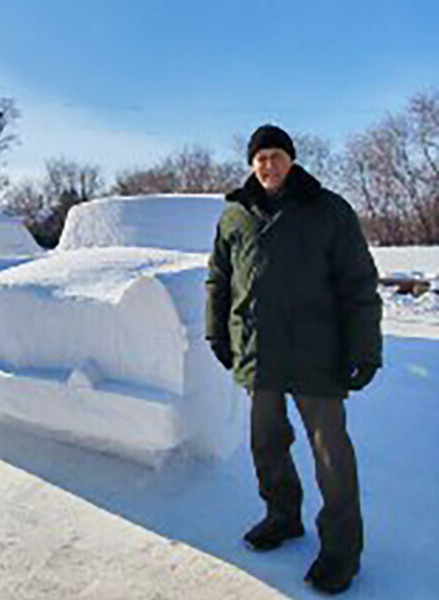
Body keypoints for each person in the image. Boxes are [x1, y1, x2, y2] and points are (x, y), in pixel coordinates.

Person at [205, 125, 382, 594]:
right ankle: (281, 516)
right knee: (267, 444)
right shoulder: (235, 214)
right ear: (251, 163)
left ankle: (342, 551)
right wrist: (216, 331)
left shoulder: (328, 210)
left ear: (292, 159)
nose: (269, 165)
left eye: (277, 155)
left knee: (331, 455)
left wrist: (364, 349)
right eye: (261, 157)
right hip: (258, 351)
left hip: (315, 353)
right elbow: (218, 279)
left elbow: (359, 284)